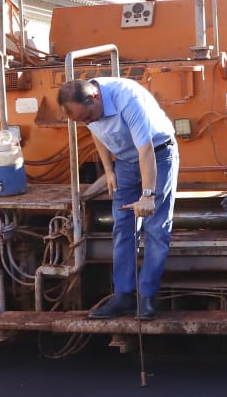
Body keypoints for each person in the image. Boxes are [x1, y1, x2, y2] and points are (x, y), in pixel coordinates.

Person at [56, 77, 178, 320]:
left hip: (158, 156)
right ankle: (123, 296)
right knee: (122, 227)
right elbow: (97, 135)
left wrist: (148, 196)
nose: (88, 122)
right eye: (82, 121)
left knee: (155, 228)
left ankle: (147, 297)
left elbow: (146, 150)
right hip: (124, 162)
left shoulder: (127, 99)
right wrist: (109, 170)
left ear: (95, 97)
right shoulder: (87, 110)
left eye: (88, 117)